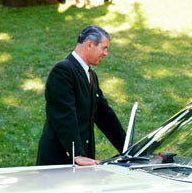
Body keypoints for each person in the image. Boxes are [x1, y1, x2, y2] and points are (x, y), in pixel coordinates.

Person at [36, 25, 126, 167]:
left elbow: (104, 115)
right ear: (90, 45)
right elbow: (64, 115)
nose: (106, 53)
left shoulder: (91, 75)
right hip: (59, 161)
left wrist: (127, 148)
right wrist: (76, 155)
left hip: (82, 160)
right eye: (104, 48)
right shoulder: (63, 71)